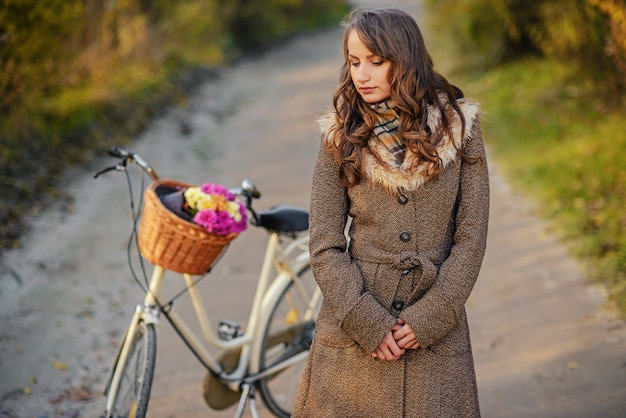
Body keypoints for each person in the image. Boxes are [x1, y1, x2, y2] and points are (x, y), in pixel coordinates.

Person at [292, 7, 489, 417]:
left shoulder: (459, 129)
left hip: (435, 331)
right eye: (354, 62)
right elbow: (325, 245)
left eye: (376, 62)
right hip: (355, 332)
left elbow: (471, 236)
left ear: (405, 60)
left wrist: (433, 315)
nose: (362, 74)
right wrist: (367, 321)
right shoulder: (339, 136)